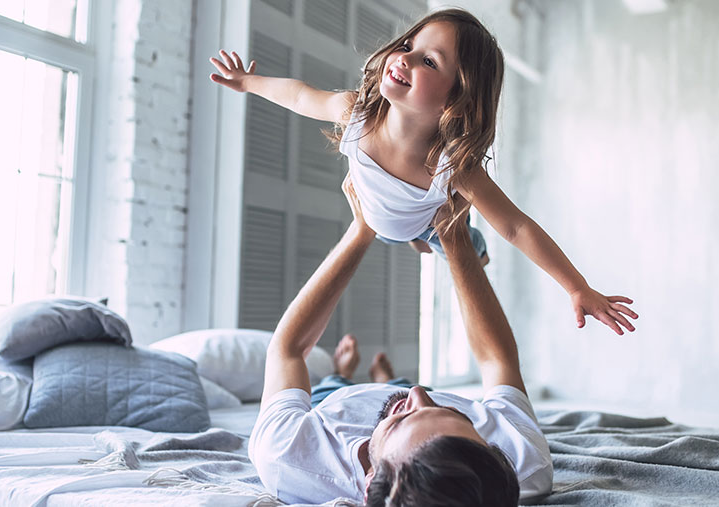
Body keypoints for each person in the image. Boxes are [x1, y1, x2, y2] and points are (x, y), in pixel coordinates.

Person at [210, 8, 638, 335]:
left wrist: (576, 286)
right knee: (415, 231)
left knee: (461, 240)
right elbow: (301, 96)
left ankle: (438, 239)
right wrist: (250, 83)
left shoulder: (451, 168)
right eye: (409, 46)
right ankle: (417, 237)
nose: (405, 58)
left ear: (458, 98)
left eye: (429, 62)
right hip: (377, 211)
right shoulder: (355, 113)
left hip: (426, 221)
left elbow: (515, 227)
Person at [247, 177, 553, 506]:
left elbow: (289, 350)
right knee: (402, 387)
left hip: (335, 403)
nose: (419, 394)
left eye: (402, 421)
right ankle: (388, 381)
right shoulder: (524, 463)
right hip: (398, 411)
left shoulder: (288, 454)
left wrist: (361, 231)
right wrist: (453, 236)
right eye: (454, 416)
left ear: (369, 484)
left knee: (332, 384)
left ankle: (344, 373)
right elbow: (498, 361)